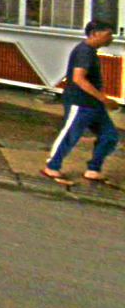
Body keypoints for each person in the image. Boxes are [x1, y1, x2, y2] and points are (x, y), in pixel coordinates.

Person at [41, 19, 120, 185]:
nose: (111, 38)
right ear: (94, 34)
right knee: (70, 135)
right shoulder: (84, 52)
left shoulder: (90, 52)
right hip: (80, 102)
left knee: (109, 136)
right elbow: (79, 79)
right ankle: (52, 166)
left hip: (94, 104)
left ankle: (94, 169)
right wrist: (104, 99)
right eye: (108, 35)